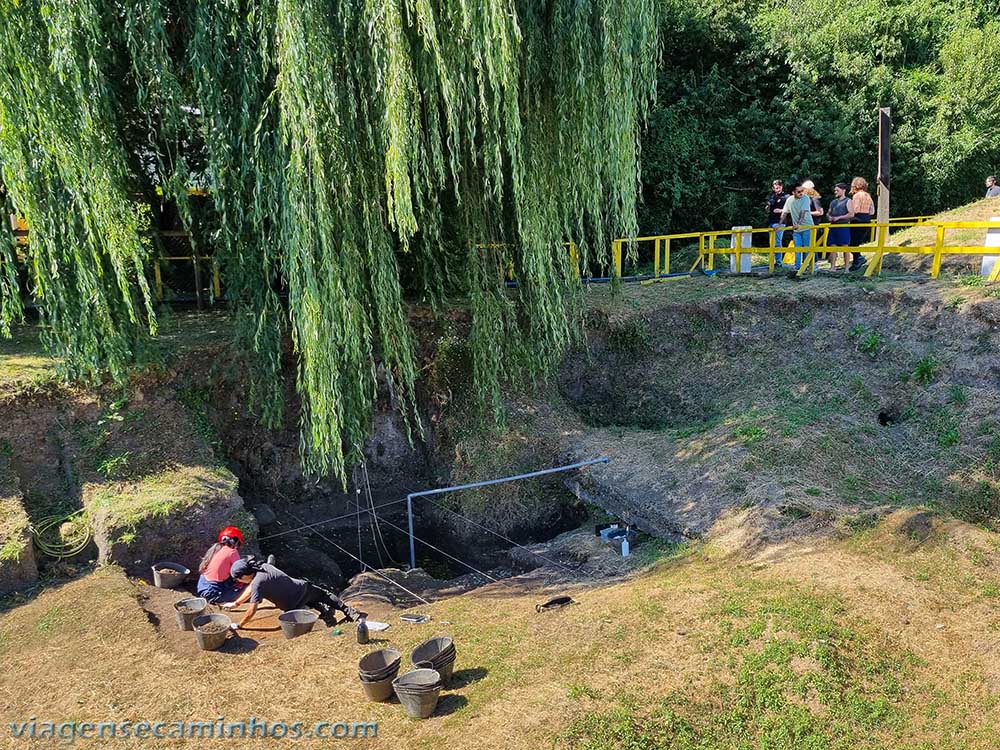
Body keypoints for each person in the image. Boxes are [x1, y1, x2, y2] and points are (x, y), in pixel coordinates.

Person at [222, 558, 365, 628]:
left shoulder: (259, 583)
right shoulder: (264, 567)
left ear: (245, 575)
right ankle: (349, 612)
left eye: (238, 579)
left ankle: (323, 611)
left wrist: (239, 625)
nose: (239, 582)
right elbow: (252, 587)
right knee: (325, 596)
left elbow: (252, 609)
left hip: (292, 607)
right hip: (303, 590)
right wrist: (236, 603)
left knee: (317, 598)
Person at [196, 526, 245, 603]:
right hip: (213, 592)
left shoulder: (216, 549)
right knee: (248, 591)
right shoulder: (232, 552)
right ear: (236, 542)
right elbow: (241, 572)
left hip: (203, 586)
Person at [781, 182, 820, 268]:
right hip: (797, 229)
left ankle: (809, 266)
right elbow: (784, 212)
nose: (801, 193)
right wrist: (779, 224)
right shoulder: (789, 200)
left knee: (807, 247)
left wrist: (798, 224)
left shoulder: (805, 198)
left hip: (807, 227)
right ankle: (797, 266)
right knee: (797, 248)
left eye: (802, 191)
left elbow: (803, 212)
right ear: (793, 192)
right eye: (798, 192)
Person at [827, 183, 855, 272]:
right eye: (835, 190)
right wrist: (829, 217)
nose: (835, 192)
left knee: (845, 246)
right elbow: (829, 212)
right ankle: (832, 267)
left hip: (843, 226)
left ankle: (846, 268)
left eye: (837, 190)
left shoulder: (848, 201)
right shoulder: (833, 202)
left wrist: (839, 217)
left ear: (843, 190)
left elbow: (851, 213)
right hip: (833, 226)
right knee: (833, 246)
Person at [849, 177, 875, 271]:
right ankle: (856, 262)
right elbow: (872, 211)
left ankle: (858, 258)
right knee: (856, 242)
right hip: (867, 219)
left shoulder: (856, 196)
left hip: (857, 219)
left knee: (852, 242)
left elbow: (855, 209)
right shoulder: (868, 196)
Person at [766, 180, 790, 265]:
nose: (777, 189)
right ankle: (772, 261)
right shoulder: (772, 196)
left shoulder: (787, 196)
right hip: (771, 221)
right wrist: (768, 206)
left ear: (782, 186)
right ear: (773, 188)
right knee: (771, 243)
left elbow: (790, 209)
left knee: (777, 242)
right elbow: (768, 209)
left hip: (780, 222)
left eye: (779, 187)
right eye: (776, 188)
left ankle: (779, 262)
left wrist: (780, 210)